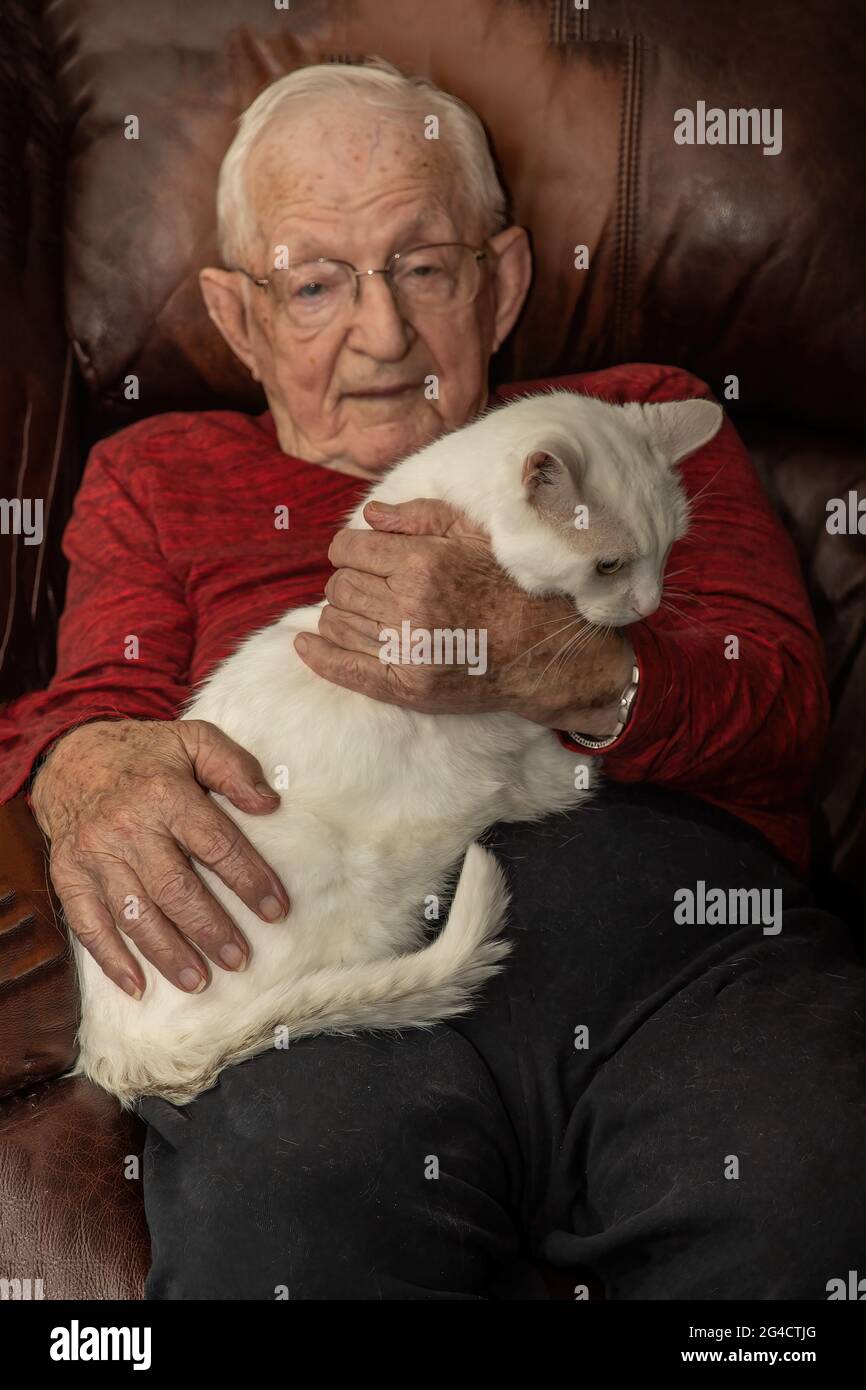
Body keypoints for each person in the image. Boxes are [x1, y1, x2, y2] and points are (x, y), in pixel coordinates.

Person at [2, 60, 863, 1299]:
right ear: (237, 321)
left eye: (423, 268)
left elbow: (774, 699)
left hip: (665, 940)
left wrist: (549, 658)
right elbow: (95, 704)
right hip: (330, 958)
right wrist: (82, 764)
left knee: (814, 1179)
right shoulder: (157, 473)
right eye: (313, 284)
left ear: (502, 281)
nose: (383, 332)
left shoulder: (637, 424)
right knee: (287, 1216)